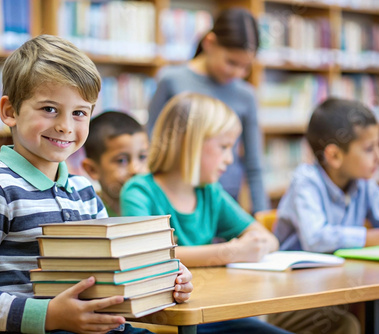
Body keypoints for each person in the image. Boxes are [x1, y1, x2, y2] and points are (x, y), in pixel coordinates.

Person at [0, 35, 193, 334]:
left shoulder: (84, 191)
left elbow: (110, 270)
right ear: (10, 112)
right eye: (49, 109)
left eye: (79, 113)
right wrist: (47, 315)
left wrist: (165, 277)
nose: (65, 126)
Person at [121, 92, 291, 334]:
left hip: (208, 311)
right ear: (190, 143)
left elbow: (267, 238)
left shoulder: (210, 192)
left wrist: (251, 247)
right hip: (159, 319)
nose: (230, 159)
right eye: (223, 147)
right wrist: (230, 252)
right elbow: (145, 257)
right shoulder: (139, 191)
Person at [268, 97, 379, 333]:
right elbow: (317, 238)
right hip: (292, 299)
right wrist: (378, 237)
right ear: (334, 156)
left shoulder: (363, 183)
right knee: (350, 326)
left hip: (340, 291)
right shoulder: (305, 182)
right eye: (369, 149)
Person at [147, 8, 267, 213]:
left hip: (226, 196)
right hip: (177, 196)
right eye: (231, 62)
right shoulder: (171, 80)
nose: (238, 73)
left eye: (246, 66)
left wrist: (262, 214)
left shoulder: (246, 94)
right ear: (209, 43)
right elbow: (151, 142)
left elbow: (254, 162)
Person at [82, 111, 149, 217]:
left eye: (142, 157)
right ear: (92, 169)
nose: (135, 169)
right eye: (121, 160)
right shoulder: (90, 215)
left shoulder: (157, 205)